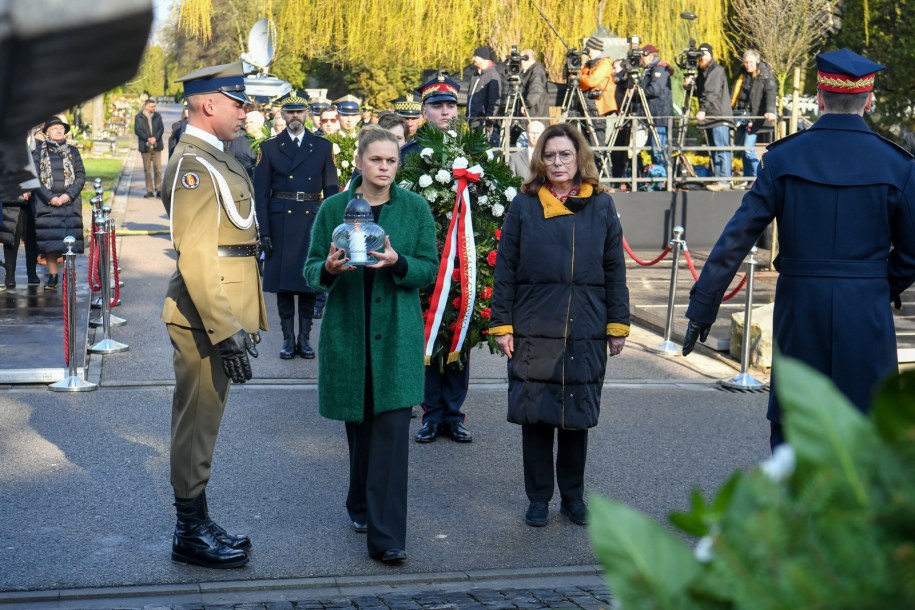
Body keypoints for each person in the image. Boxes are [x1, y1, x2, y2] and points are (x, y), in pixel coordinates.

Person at [682, 49, 915, 450]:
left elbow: (737, 236)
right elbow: (911, 253)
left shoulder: (783, 158)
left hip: (800, 309)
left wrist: (704, 304)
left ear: (821, 98)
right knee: (867, 434)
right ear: (869, 98)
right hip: (866, 315)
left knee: (792, 435)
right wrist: (877, 285)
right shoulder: (898, 165)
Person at [303, 126, 438, 564]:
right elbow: (308, 270)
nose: (384, 168)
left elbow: (429, 269)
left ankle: (387, 538)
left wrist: (400, 263)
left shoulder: (415, 208)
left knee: (390, 438)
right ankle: (359, 504)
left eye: (391, 160)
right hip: (349, 337)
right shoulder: (334, 208)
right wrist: (327, 269)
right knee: (360, 432)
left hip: (395, 341)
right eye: (376, 160)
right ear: (359, 162)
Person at [489, 122, 629, 527]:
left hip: (585, 324)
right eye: (549, 155)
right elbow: (506, 270)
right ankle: (538, 498)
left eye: (565, 154)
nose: (557, 162)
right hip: (534, 322)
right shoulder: (524, 204)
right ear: (539, 160)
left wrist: (618, 325)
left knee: (575, 415)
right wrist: (503, 324)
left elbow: (614, 268)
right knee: (535, 416)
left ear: (579, 156)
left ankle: (573, 497)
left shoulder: (601, 205)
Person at [161, 61, 267, 569]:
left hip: (218, 311)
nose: (245, 112)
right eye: (237, 103)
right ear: (209, 104)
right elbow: (198, 257)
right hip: (204, 316)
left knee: (205, 423)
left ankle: (198, 519)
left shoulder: (213, 158)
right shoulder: (194, 165)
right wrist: (226, 331)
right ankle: (189, 531)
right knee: (196, 424)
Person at [401, 74, 473, 443]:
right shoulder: (409, 155)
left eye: (450, 105)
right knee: (426, 335)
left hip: (464, 260)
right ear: (424, 111)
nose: (445, 112)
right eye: (437, 106)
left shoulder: (474, 152)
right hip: (426, 261)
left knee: (460, 333)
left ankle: (455, 414)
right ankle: (431, 413)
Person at [255, 93, 338, 360]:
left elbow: (332, 192)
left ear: (307, 114)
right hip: (280, 221)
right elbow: (261, 194)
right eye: (289, 112)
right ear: (282, 114)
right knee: (284, 286)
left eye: (299, 112)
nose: (294, 117)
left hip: (311, 219)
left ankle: (305, 339)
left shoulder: (322, 147)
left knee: (308, 283)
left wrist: (332, 229)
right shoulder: (269, 148)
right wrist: (263, 231)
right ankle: (288, 340)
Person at [31, 116, 85, 289]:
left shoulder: (73, 151)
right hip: (47, 204)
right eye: (55, 129)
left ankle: (68, 276)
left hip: (70, 203)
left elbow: (81, 175)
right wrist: (50, 197)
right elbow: (34, 177)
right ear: (47, 132)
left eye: (61, 128)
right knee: (51, 244)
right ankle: (53, 276)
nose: (59, 131)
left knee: (71, 242)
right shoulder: (39, 152)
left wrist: (67, 196)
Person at [686, 43, 733, 191]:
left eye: (705, 55)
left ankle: (724, 181)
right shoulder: (703, 72)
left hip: (719, 117)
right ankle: (717, 178)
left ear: (711, 56)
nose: (702, 59)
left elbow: (711, 93)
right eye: (701, 56)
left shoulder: (716, 70)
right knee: (714, 150)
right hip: (712, 117)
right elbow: (701, 92)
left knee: (721, 149)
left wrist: (702, 110)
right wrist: (689, 87)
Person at [732, 49, 777, 180]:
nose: (748, 65)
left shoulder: (765, 75)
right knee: (742, 150)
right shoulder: (743, 74)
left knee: (748, 149)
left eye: (750, 62)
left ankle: (760, 178)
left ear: (757, 61)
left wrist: (770, 110)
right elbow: (738, 93)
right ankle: (748, 179)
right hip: (743, 115)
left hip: (757, 116)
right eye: (745, 62)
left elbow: (770, 93)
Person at [636, 44, 673, 168]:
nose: (640, 59)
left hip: (659, 116)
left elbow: (654, 90)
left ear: (650, 56)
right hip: (652, 115)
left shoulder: (660, 69)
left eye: (642, 57)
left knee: (658, 150)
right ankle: (657, 178)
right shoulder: (649, 70)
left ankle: (662, 180)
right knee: (652, 150)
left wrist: (638, 91)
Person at [577, 37, 616, 149]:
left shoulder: (604, 63)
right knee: (586, 140)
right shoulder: (589, 64)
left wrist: (580, 77)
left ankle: (601, 165)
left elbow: (591, 80)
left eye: (587, 48)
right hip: (586, 104)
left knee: (596, 141)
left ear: (591, 48)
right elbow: (582, 81)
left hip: (596, 106)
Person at [1, 191, 40, 289]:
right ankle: (9, 275)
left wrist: (30, 190)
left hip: (31, 201)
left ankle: (32, 273)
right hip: (11, 200)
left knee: (31, 238)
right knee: (11, 238)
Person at [467, 46, 503, 146]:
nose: (473, 59)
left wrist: (489, 121)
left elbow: (494, 102)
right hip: (473, 121)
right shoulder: (476, 74)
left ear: (483, 58)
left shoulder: (493, 75)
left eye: (475, 56)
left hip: (483, 123)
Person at [134, 99, 165, 198]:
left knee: (158, 169)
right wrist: (147, 138)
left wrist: (155, 138)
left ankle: (159, 189)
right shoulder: (139, 117)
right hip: (145, 146)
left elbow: (161, 128)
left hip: (156, 146)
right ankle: (149, 190)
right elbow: (137, 130)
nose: (154, 108)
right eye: (152, 106)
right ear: (146, 106)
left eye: (154, 106)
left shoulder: (157, 116)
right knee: (147, 170)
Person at [230, 110, 264, 181]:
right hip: (246, 181)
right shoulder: (237, 142)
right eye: (246, 123)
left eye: (251, 122)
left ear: (260, 123)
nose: (247, 125)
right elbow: (231, 163)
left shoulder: (270, 140)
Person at [519, 49, 550, 122]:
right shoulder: (533, 70)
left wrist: (526, 104)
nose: (520, 63)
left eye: (521, 60)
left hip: (536, 113)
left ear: (525, 59)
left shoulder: (537, 70)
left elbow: (536, 89)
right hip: (535, 112)